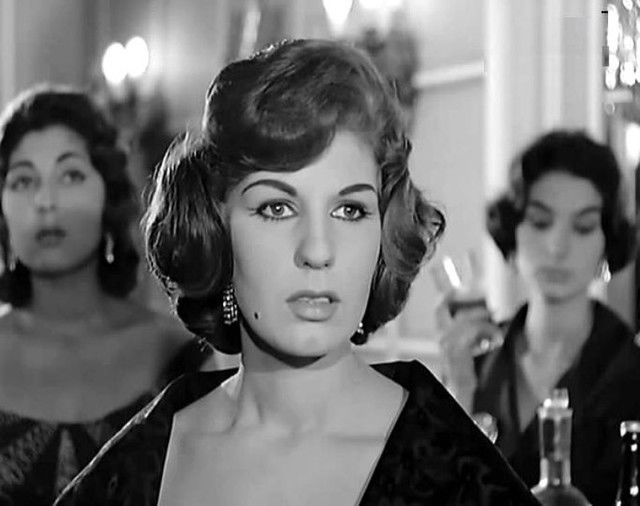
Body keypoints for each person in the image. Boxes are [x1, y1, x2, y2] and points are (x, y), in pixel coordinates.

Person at [55, 39, 539, 506]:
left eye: (349, 210)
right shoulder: (142, 461)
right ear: (216, 228)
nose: (317, 251)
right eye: (277, 208)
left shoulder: (455, 471)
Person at [0, 85, 210, 506]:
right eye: (23, 180)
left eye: (71, 175)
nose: (45, 201)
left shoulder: (179, 355)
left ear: (109, 195)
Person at [439, 130, 639, 505]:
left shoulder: (628, 370)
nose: (557, 247)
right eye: (540, 221)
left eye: (583, 227)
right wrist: (459, 390)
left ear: (607, 243)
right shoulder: (478, 360)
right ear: (512, 233)